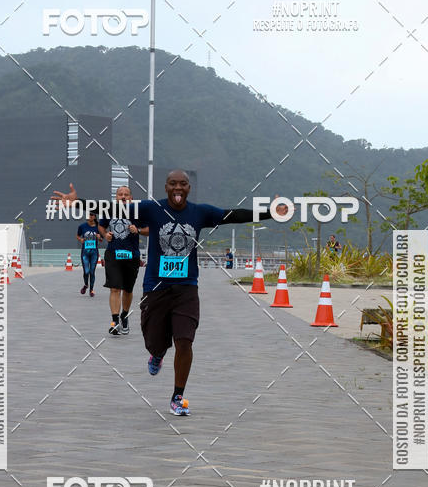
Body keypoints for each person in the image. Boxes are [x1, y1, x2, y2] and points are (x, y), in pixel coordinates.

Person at [52, 173, 286, 417]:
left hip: (187, 288)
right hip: (156, 288)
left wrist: (269, 212)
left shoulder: (200, 212)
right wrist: (78, 203)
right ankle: (157, 354)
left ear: (188, 188)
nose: (178, 188)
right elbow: (112, 208)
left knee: (185, 341)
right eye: (173, 184)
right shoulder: (151, 209)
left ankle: (177, 396)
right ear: (166, 188)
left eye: (182, 184)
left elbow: (232, 215)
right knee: (154, 341)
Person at [98, 185, 149, 336]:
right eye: (120, 194)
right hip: (113, 254)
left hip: (131, 256)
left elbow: (149, 229)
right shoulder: (109, 210)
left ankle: (124, 316)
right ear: (116, 197)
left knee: (127, 290)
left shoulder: (137, 212)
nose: (123, 197)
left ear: (131, 198)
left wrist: (138, 230)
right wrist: (105, 235)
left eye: (126, 194)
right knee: (115, 288)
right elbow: (101, 227)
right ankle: (114, 322)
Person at [76, 211, 102, 297]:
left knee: (92, 272)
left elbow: (102, 239)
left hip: (94, 252)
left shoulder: (99, 227)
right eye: (88, 215)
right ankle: (86, 285)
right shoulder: (82, 226)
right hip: (85, 252)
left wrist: (100, 238)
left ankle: (91, 290)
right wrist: (80, 240)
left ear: (94, 216)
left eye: (91, 215)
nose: (89, 216)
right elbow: (78, 236)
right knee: (86, 271)